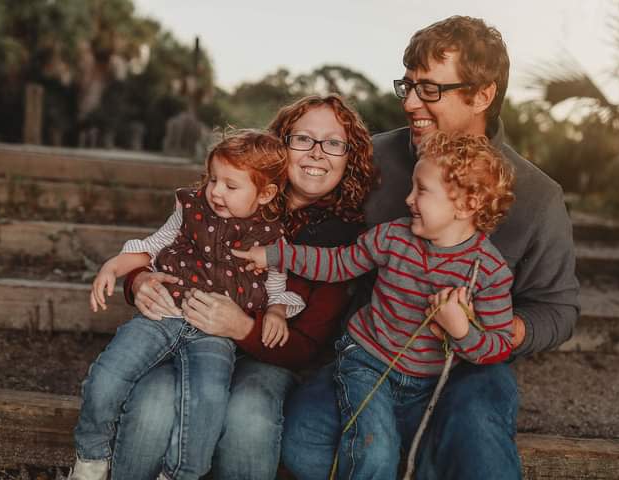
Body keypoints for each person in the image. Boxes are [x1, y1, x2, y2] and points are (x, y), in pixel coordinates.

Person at [281, 15, 580, 480]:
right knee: (300, 442)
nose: (411, 103)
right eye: (409, 86)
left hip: (468, 365)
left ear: (482, 95)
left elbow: (558, 309)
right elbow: (291, 203)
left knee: (478, 439)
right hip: (371, 351)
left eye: (431, 90)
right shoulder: (372, 158)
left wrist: (484, 332)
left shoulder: (538, 197)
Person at [104, 95, 376, 480]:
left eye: (333, 143)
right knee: (155, 401)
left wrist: (242, 328)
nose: (317, 153)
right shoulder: (232, 192)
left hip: (267, 360)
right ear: (279, 146)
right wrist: (139, 281)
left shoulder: (342, 242)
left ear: (349, 157)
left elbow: (306, 348)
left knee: (250, 412)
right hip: (189, 333)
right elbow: (168, 245)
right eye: (302, 139)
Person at [234, 132, 516, 478]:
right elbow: (338, 264)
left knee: (429, 458)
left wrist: (461, 330)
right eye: (412, 186)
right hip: (367, 362)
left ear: (467, 204)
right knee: (375, 448)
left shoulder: (488, 272)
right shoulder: (393, 237)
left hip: (428, 383)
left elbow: (498, 345)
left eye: (422, 190)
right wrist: (275, 254)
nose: (409, 198)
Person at [71, 130, 306, 480]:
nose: (216, 192)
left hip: (214, 334)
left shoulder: (270, 239)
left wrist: (276, 311)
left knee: (208, 399)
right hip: (162, 314)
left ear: (266, 193)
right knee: (108, 374)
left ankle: (181, 473)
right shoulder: (191, 210)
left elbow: (277, 289)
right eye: (213, 179)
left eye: (230, 185)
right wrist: (115, 267)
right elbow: (151, 246)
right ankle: (91, 457)